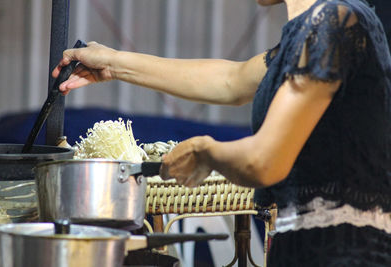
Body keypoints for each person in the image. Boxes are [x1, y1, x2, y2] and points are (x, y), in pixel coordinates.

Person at [53, 0, 391, 265]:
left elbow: (264, 161)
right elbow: (230, 81)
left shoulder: (334, 22)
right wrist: (112, 62)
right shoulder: (308, 34)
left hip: (344, 252)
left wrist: (205, 152)